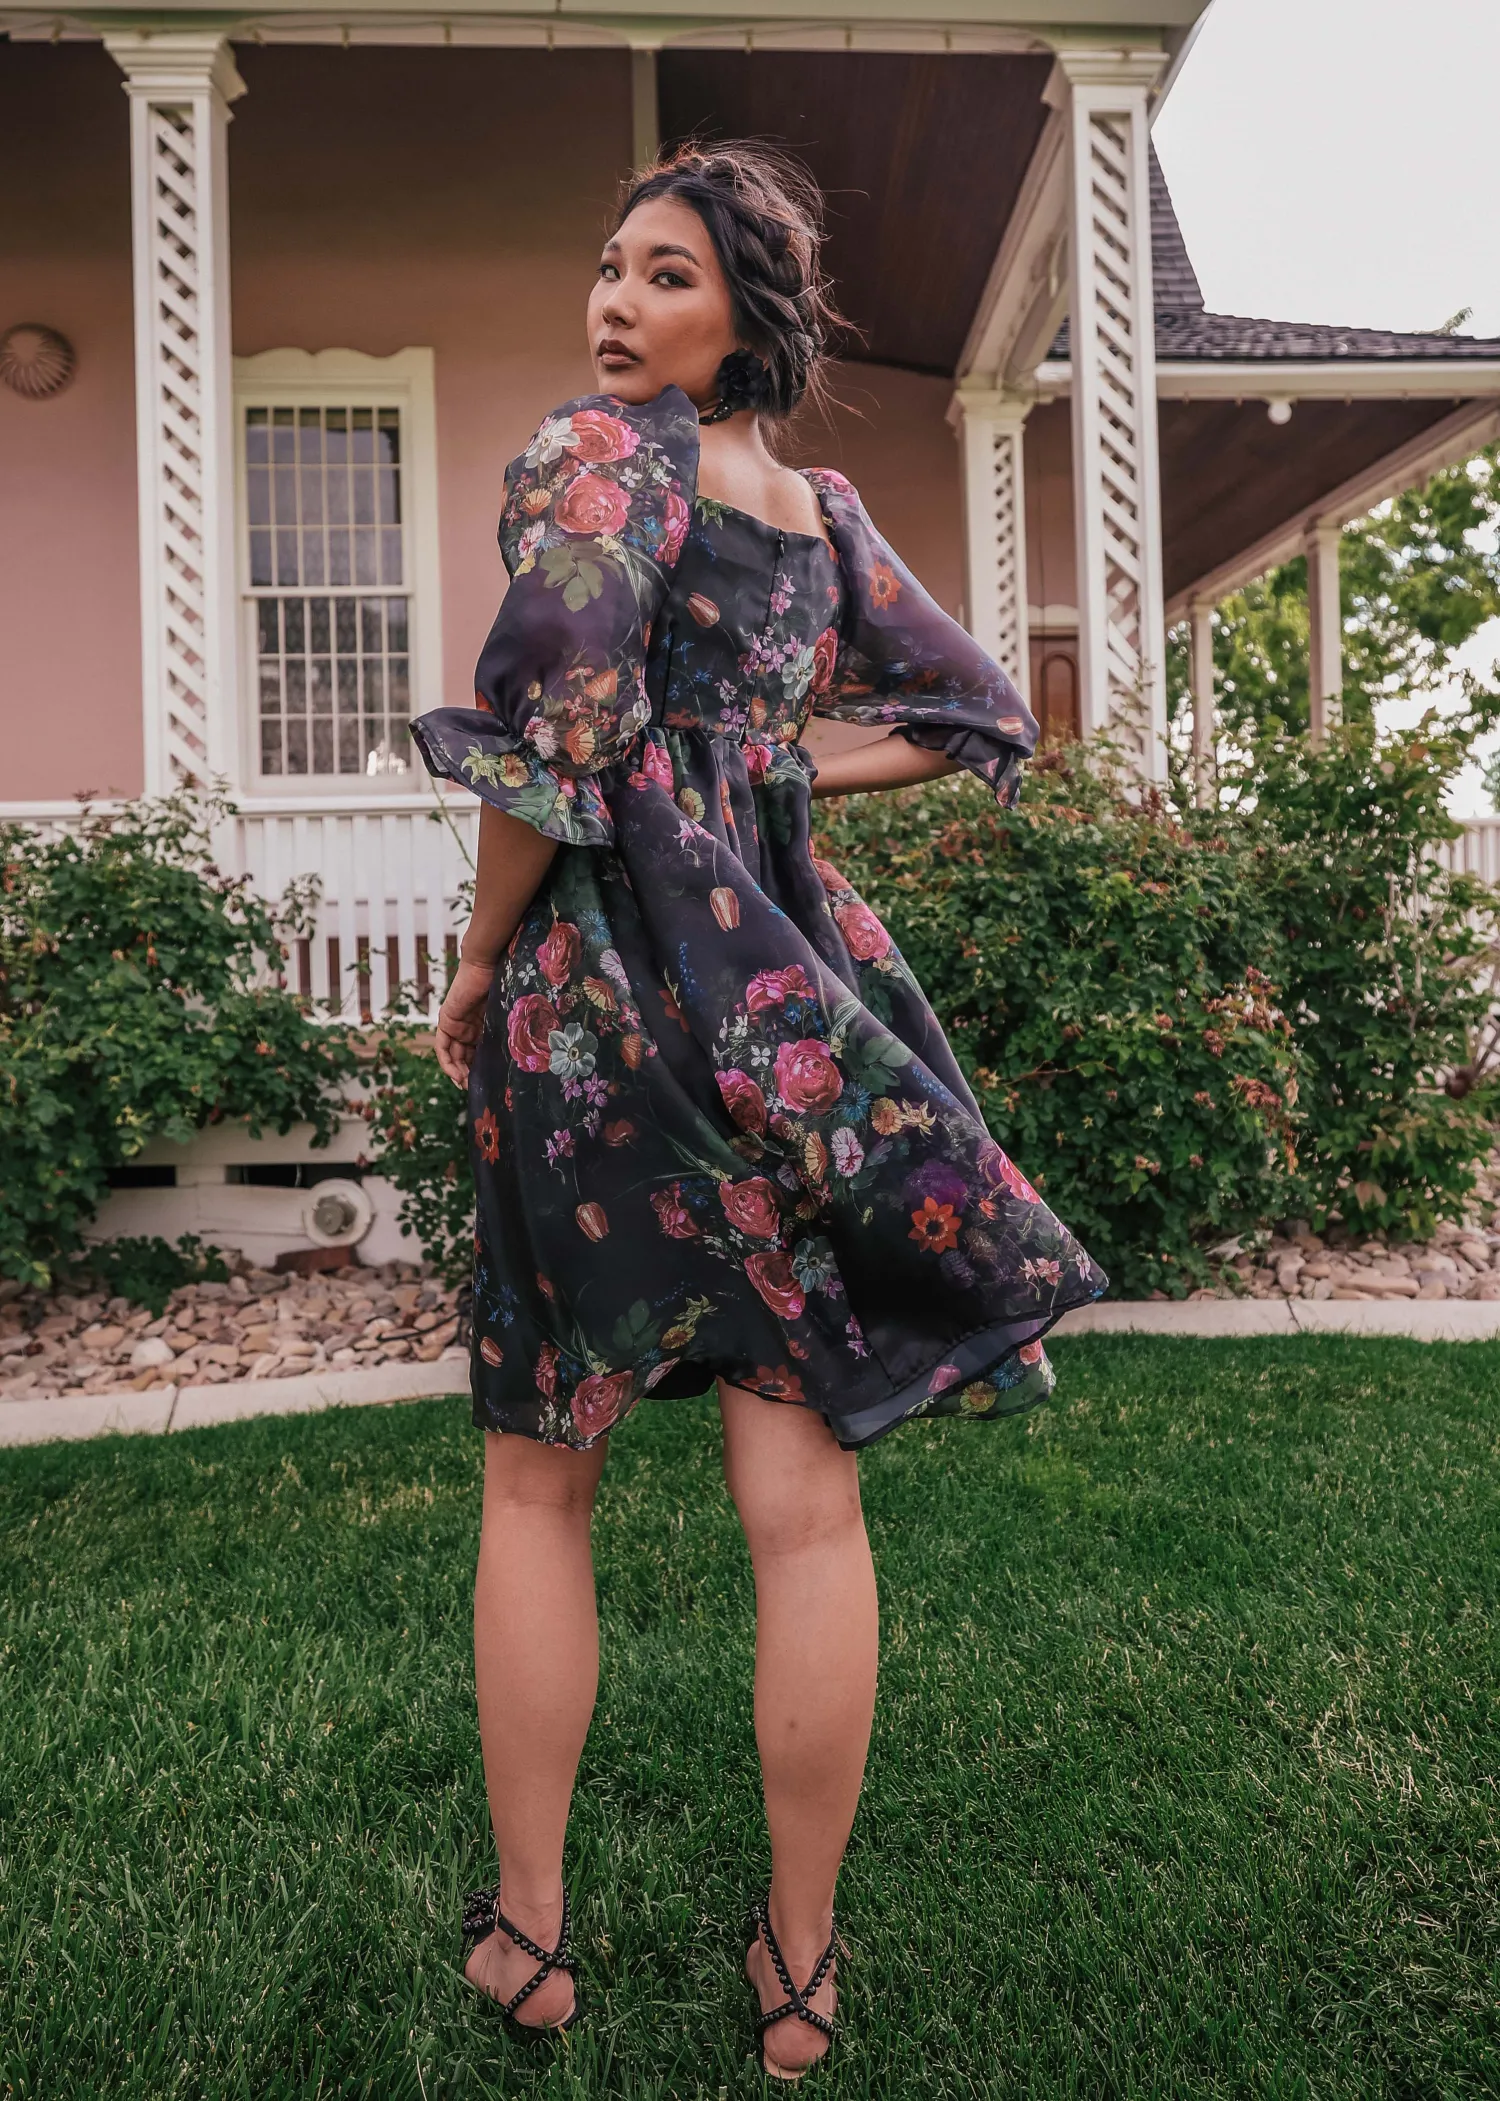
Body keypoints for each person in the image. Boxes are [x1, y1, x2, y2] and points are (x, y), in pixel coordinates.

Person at [412, 142, 1106, 2081]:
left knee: (540, 1474)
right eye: (610, 264)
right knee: (803, 1514)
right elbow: (978, 715)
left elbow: (550, 743)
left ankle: (532, 1938)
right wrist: (764, 775)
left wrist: (477, 961)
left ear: (744, 321)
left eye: (667, 276)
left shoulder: (599, 457)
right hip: (781, 1011)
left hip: (599, 1008)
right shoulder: (816, 514)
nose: (616, 302)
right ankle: (799, 1967)